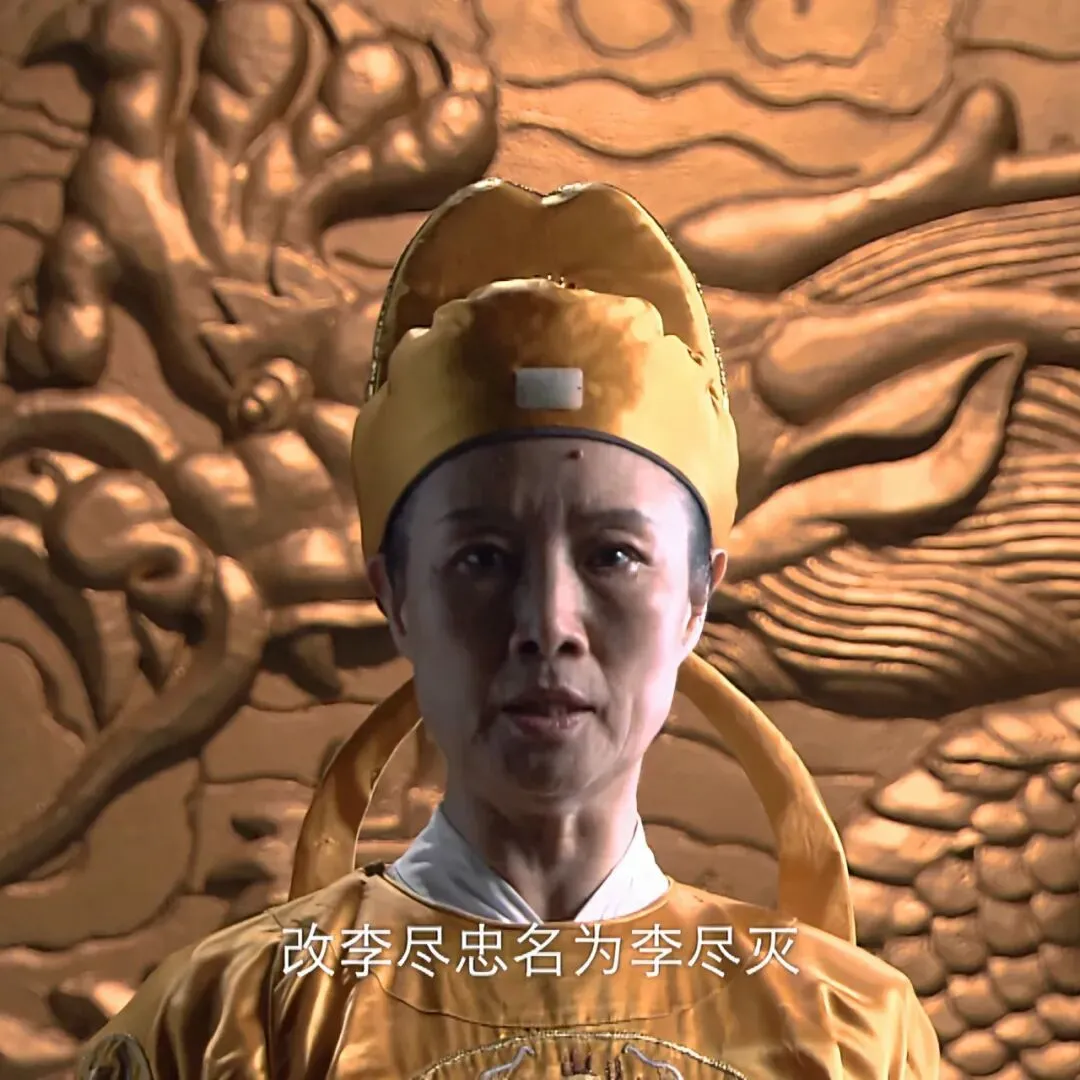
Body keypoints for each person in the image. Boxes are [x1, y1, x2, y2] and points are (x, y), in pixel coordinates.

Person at [77, 180, 940, 1079]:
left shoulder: (850, 1029)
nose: (547, 624)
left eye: (613, 556)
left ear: (697, 599)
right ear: (395, 596)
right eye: (482, 558)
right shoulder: (226, 1023)